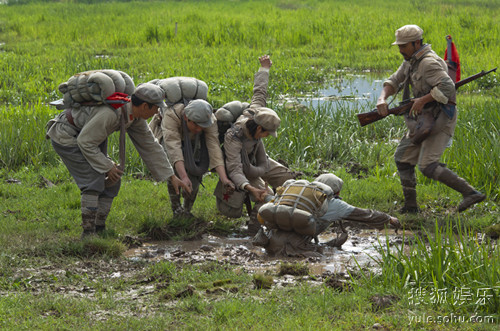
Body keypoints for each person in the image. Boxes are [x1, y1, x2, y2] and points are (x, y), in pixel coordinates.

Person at [46, 82, 190, 237]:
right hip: (67, 136)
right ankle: (88, 233)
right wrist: (107, 165)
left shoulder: (135, 118)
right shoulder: (110, 114)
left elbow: (150, 145)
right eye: (155, 107)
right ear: (144, 106)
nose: (157, 112)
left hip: (90, 137)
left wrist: (171, 176)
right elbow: (85, 142)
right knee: (94, 179)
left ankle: (100, 228)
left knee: (114, 179)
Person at [376, 24, 485, 214]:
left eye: (404, 46)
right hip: (421, 119)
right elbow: (394, 81)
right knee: (403, 158)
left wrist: (424, 99)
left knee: (427, 166)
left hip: (440, 118)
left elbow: (447, 87)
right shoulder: (411, 61)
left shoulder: (429, 63)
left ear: (416, 43)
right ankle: (411, 207)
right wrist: (382, 99)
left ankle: (471, 193)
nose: (400, 50)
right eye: (399, 46)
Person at [223, 55, 301, 235]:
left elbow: (259, 91)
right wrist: (250, 188)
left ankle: (291, 213)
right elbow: (234, 169)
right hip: (242, 167)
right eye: (266, 133)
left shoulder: (257, 110)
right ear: (258, 128)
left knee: (289, 181)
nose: (267, 136)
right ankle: (254, 228)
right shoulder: (234, 137)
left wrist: (264, 68)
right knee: (263, 195)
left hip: (259, 161)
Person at [253, 173, 401, 257]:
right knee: (324, 259)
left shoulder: (295, 195)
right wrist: (389, 219)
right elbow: (366, 215)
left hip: (269, 244)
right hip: (294, 249)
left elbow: (272, 201)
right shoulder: (335, 205)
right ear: (336, 192)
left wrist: (265, 196)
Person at [152, 97, 235, 219]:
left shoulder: (210, 119)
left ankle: (187, 210)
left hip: (194, 141)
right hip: (169, 138)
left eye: (202, 126)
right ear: (186, 117)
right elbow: (173, 148)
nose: (199, 129)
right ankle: (176, 209)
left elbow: (214, 147)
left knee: (196, 172)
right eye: (196, 125)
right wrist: (184, 177)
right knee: (174, 171)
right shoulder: (172, 115)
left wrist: (224, 179)